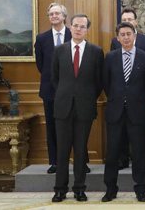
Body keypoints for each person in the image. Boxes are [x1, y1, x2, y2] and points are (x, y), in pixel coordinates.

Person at [51, 14, 104, 202]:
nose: (78, 29)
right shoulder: (59, 50)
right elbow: (54, 78)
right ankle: (60, 189)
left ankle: (80, 189)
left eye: (82, 26)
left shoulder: (96, 52)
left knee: (81, 150)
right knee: (62, 150)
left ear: (87, 29)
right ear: (69, 27)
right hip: (63, 107)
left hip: (85, 107)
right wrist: (67, 94)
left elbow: (99, 82)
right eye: (75, 26)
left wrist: (86, 97)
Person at [102, 22, 145, 202]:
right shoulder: (110, 57)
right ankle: (110, 189)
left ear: (135, 36)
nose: (125, 37)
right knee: (113, 153)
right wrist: (119, 99)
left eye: (128, 34)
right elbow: (107, 85)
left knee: (139, 152)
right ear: (117, 38)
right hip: (115, 111)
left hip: (137, 111)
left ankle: (140, 189)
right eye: (122, 35)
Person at [110, 8, 145, 171]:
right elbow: (111, 72)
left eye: (130, 18)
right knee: (121, 131)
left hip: (140, 96)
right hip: (119, 97)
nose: (127, 21)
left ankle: (142, 160)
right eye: (124, 19)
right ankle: (122, 159)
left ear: (136, 22)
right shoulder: (115, 42)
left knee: (140, 130)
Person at [34, 3, 72, 174]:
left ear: (64, 16)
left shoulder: (74, 34)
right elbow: (41, 66)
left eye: (57, 13)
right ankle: (55, 162)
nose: (54, 16)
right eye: (51, 14)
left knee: (76, 126)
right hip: (50, 90)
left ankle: (81, 161)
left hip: (72, 90)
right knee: (52, 126)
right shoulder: (41, 39)